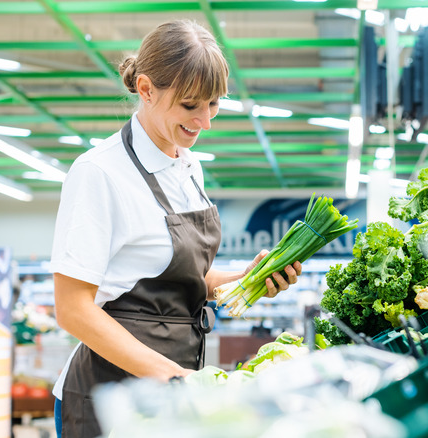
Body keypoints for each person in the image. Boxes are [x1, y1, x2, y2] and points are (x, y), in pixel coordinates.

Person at [49, 19, 302, 438]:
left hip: (172, 396)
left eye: (214, 104)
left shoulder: (189, 167)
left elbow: (179, 278)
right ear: (146, 89)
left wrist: (248, 279)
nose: (205, 121)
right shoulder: (99, 173)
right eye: (190, 106)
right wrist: (170, 375)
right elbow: (72, 308)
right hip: (109, 398)